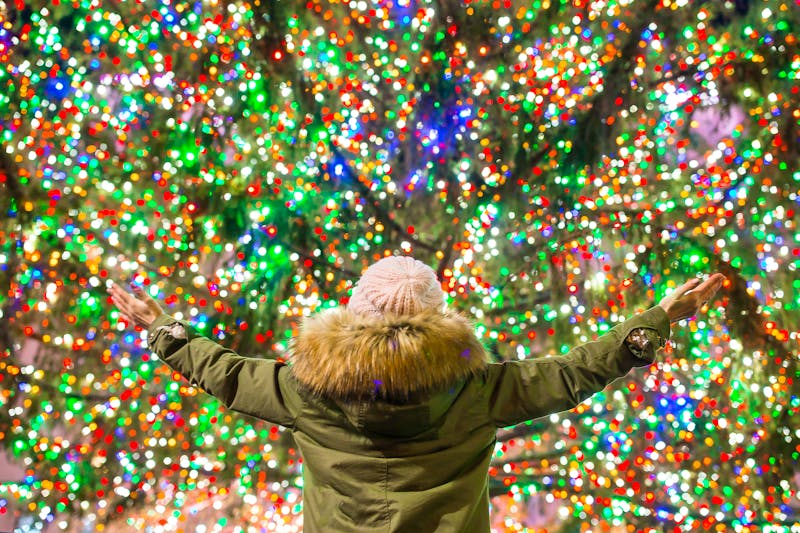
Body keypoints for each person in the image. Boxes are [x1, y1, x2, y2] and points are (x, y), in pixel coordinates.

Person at [108, 256, 725, 532]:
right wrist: (655, 319)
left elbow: (225, 373)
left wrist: (164, 330)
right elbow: (572, 373)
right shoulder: (479, 389)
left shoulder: (303, 388)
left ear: (353, 315)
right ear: (439, 321)